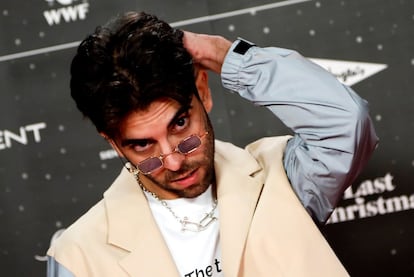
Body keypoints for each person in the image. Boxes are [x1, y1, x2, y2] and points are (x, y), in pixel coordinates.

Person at [47, 11, 378, 277]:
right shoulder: (80, 257)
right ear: (115, 144)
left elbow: (347, 122)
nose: (173, 160)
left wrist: (225, 56)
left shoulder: (280, 178)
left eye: (180, 125)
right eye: (143, 146)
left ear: (202, 92)